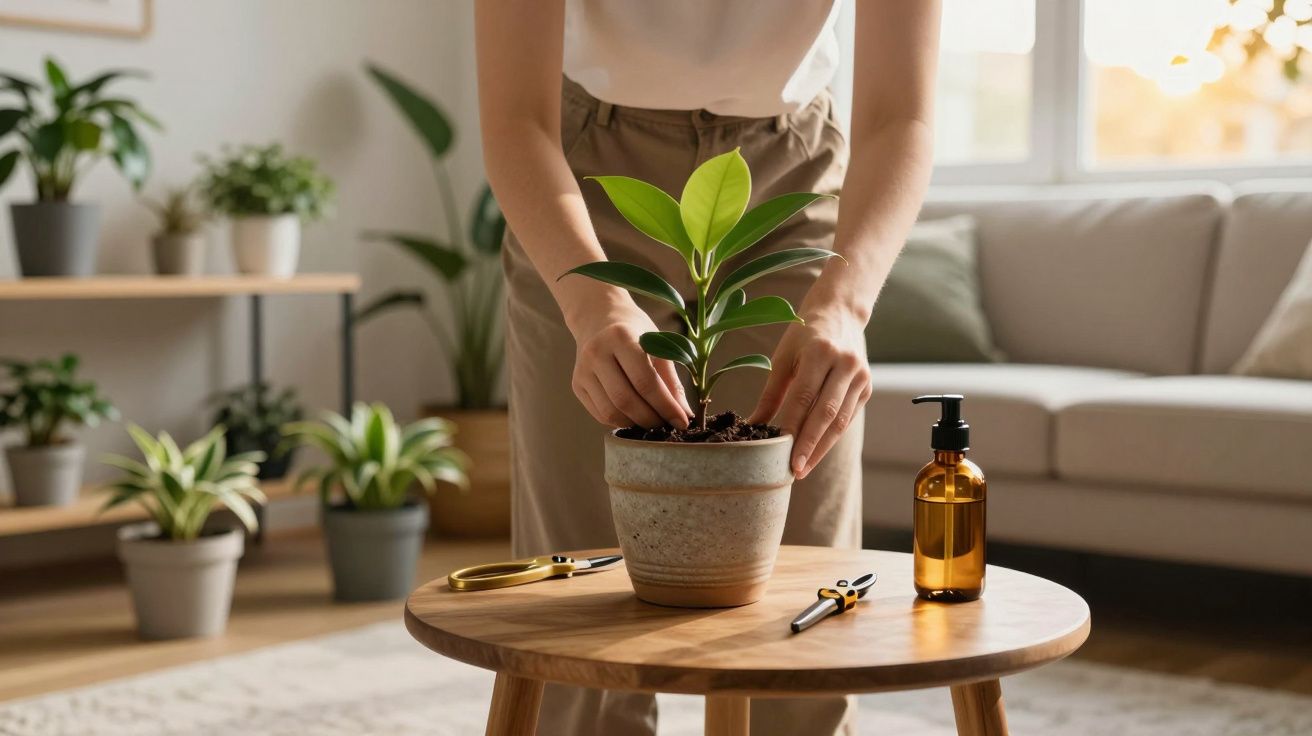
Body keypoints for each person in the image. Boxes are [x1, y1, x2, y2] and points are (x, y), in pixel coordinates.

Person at [475, 1, 940, 733]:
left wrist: (844, 305)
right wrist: (592, 306)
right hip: (581, 180)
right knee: (573, 607)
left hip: (790, 176)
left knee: (805, 599)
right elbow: (514, 120)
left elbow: (899, 117)